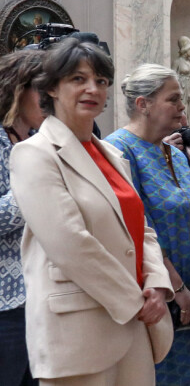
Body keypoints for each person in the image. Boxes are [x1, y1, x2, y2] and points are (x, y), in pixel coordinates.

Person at [10, 38, 173, 386]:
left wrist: (158, 284)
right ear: (52, 87)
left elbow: (140, 230)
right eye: (77, 79)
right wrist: (135, 300)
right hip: (79, 332)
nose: (92, 88)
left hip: (136, 325)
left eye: (100, 80)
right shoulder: (33, 154)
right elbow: (69, 244)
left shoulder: (113, 156)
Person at [105, 63, 190, 386]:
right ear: (143, 104)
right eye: (173, 99)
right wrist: (177, 290)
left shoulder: (176, 154)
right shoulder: (118, 150)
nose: (182, 107)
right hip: (154, 296)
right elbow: (138, 227)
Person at [0, 50, 45, 386]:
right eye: (42, 90)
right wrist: (40, 185)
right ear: (18, 89)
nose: (50, 100)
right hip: (5, 304)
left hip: (38, 297)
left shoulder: (34, 142)